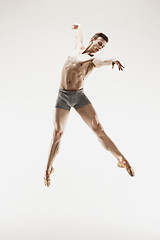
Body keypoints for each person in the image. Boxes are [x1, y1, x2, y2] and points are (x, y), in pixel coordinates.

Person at [44, 23, 135, 187]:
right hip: (63, 96)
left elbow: (102, 61)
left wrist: (113, 60)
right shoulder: (78, 50)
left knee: (98, 128)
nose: (101, 47)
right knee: (57, 133)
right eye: (100, 43)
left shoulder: (93, 60)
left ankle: (121, 159)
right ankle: (48, 168)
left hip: (79, 97)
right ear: (93, 40)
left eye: (103, 46)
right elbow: (79, 36)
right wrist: (79, 27)